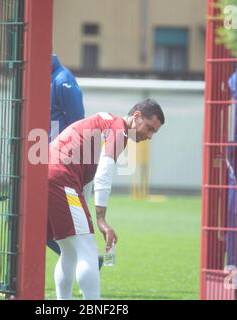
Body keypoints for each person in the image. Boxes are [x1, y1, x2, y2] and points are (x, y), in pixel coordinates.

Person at [48, 98, 165, 299]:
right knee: (88, 250)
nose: (150, 136)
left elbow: (85, 177)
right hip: (60, 179)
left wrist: (89, 216)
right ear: (136, 116)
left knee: (69, 250)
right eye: (149, 128)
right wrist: (101, 219)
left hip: (45, 176)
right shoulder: (118, 129)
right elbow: (104, 170)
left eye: (154, 132)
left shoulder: (106, 122)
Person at [48, 54, 105, 269]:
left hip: (66, 169)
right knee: (43, 224)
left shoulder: (63, 80)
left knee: (66, 224)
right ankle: (87, 260)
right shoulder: (50, 77)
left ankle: (87, 260)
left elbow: (77, 122)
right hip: (51, 164)